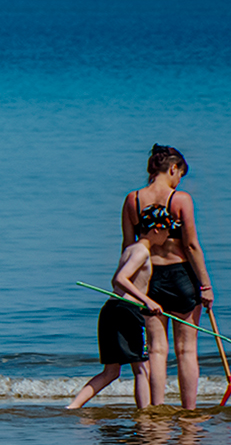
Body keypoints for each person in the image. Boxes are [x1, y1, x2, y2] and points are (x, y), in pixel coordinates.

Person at [121, 145, 215, 409]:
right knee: (186, 350)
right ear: (173, 168)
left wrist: (127, 288)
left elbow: (128, 247)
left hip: (147, 280)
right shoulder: (181, 199)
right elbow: (192, 246)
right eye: (180, 174)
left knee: (156, 350)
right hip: (181, 277)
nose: (179, 181)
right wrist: (205, 285)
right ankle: (189, 409)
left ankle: (157, 409)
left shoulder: (133, 200)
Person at [66, 234, 166, 410]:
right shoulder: (142, 251)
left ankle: (73, 407)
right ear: (156, 229)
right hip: (127, 311)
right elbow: (120, 279)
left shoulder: (130, 249)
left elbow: (116, 280)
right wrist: (147, 301)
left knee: (111, 372)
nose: (168, 235)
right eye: (167, 230)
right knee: (142, 369)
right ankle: (145, 414)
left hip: (111, 308)